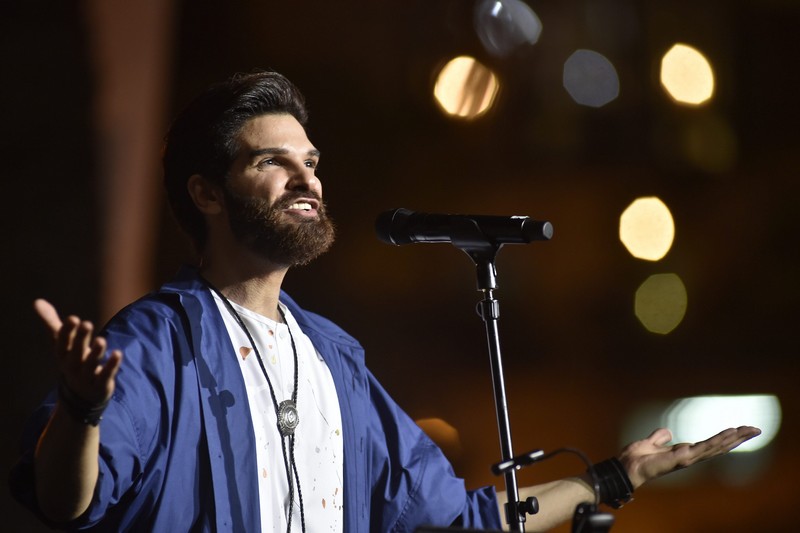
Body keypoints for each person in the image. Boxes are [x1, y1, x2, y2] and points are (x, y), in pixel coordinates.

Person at [10, 70, 761, 532]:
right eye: (274, 163)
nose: (308, 180)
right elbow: (68, 501)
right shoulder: (154, 340)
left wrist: (610, 478)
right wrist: (82, 408)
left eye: (312, 162)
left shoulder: (335, 359)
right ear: (206, 192)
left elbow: (457, 518)